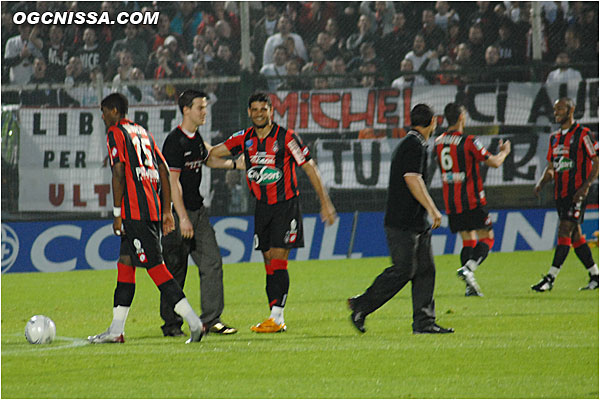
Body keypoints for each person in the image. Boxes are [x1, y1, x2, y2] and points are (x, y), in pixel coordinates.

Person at [209, 92, 337, 333]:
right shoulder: (243, 138)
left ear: (271, 111)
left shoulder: (287, 138)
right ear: (249, 112)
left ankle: (277, 318)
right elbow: (215, 153)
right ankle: (274, 316)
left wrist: (325, 202)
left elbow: (309, 167)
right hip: (262, 207)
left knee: (278, 259)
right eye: (254, 109)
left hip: (285, 205)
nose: (259, 113)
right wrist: (235, 162)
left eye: (263, 109)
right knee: (268, 260)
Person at [88, 93, 205, 344]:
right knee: (125, 265)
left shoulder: (115, 133)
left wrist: (117, 213)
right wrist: (165, 210)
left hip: (134, 213)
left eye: (104, 111)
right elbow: (163, 170)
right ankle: (116, 330)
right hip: (150, 209)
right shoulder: (143, 132)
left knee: (156, 268)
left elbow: (118, 172)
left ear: (115, 111)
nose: (102, 116)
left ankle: (195, 323)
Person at [347, 104, 454, 335]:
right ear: (433, 121)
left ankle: (424, 323)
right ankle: (361, 306)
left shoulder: (412, 143)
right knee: (404, 271)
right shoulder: (414, 145)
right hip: (402, 223)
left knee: (425, 270)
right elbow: (412, 179)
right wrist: (433, 209)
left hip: (415, 222)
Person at [159, 90, 240, 337]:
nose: (204, 112)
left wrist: (239, 164)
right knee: (175, 270)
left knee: (212, 262)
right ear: (186, 110)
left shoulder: (195, 139)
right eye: (200, 108)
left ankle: (211, 320)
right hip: (176, 214)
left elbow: (211, 159)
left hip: (198, 212)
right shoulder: (174, 141)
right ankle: (171, 325)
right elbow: (173, 183)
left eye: (205, 107)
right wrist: (182, 217)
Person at [434, 103, 511, 296]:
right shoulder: (469, 141)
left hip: (452, 201)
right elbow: (494, 162)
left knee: (468, 240)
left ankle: (470, 287)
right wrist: (504, 152)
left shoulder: (439, 141)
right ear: (461, 117)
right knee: (488, 238)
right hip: (472, 200)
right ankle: (468, 269)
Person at [531, 98, 599, 292]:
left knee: (564, 231)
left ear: (571, 109)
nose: (556, 112)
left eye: (560, 108)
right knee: (576, 237)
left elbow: (596, 162)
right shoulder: (554, 138)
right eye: (555, 109)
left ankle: (550, 278)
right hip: (561, 194)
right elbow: (552, 167)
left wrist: (585, 188)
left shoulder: (583, 134)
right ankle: (595, 275)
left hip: (576, 193)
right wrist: (541, 182)